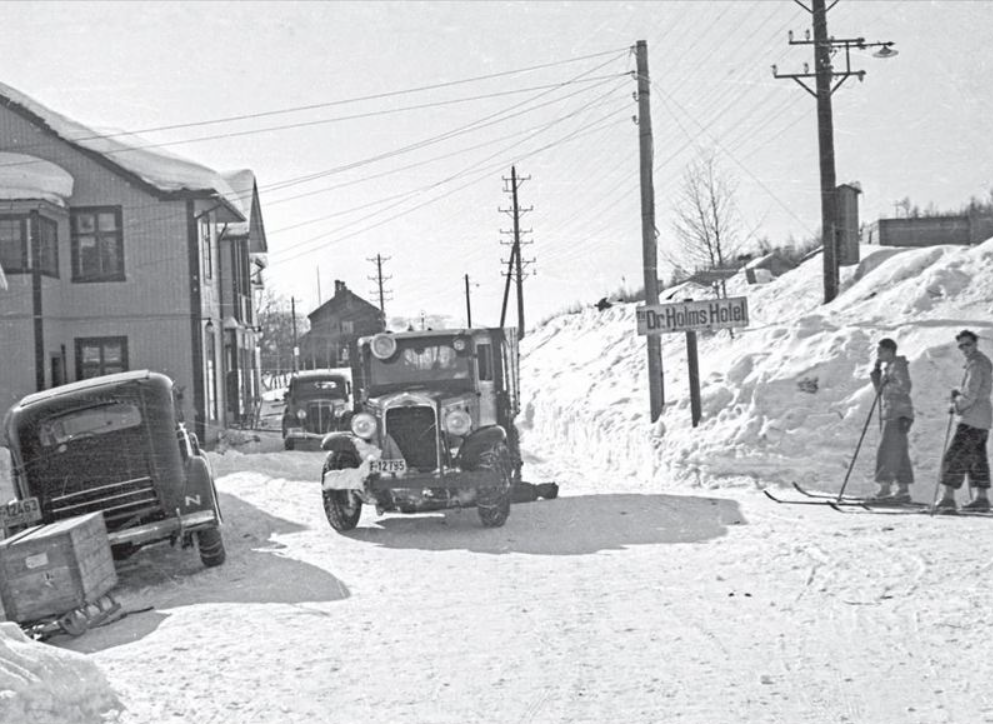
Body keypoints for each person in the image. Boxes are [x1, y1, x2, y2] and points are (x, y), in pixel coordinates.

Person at [936, 330, 993, 512]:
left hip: (972, 417)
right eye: (961, 346)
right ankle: (981, 497)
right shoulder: (981, 362)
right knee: (977, 458)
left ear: (975, 343)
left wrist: (956, 404)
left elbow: (971, 393)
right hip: (982, 418)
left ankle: (948, 497)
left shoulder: (976, 364)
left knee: (955, 456)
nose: (964, 349)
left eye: (967, 344)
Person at [868, 338, 915, 503]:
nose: (878, 355)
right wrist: (876, 373)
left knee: (887, 450)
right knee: (899, 452)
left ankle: (885, 488)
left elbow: (905, 387)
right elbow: (880, 392)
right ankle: (903, 489)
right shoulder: (891, 367)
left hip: (897, 413)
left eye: (880, 351)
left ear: (889, 350)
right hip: (896, 412)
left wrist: (886, 383)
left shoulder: (898, 366)